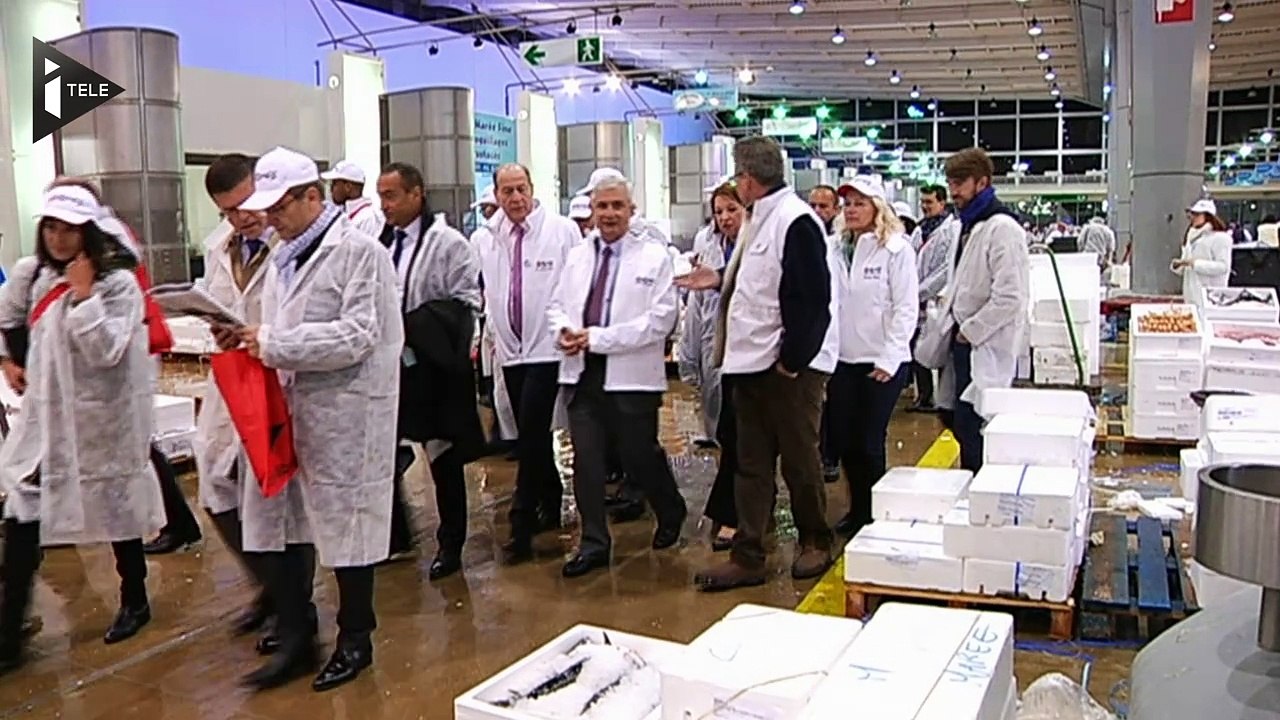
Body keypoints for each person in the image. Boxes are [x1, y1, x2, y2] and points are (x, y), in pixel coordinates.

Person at [232, 146, 401, 692]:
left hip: (348, 413)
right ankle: (299, 633)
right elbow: (281, 332)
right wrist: (246, 337)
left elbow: (358, 334)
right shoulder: (286, 257)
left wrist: (275, 343)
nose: (271, 219)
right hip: (295, 411)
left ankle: (357, 640)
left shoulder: (360, 253)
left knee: (348, 533)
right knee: (288, 525)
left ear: (313, 196)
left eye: (280, 207)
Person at [0, 184, 166, 673]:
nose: (58, 237)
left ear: (87, 232)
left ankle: (134, 597)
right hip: (45, 416)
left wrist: (84, 295)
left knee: (116, 509)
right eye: (50, 227)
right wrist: (9, 361)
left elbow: (108, 350)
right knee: (24, 507)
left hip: (102, 418)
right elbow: (6, 317)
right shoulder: (31, 275)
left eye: (69, 229)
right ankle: (9, 628)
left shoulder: (118, 283)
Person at [680, 136, 838, 592]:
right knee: (749, 465)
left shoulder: (795, 221)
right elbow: (757, 286)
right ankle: (750, 553)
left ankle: (815, 540)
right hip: (746, 366)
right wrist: (718, 281)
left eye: (737, 177)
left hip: (784, 371)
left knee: (800, 461)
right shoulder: (756, 219)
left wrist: (792, 361)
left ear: (748, 180)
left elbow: (813, 301)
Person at [193, 154, 315, 654]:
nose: (241, 219)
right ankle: (271, 588)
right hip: (236, 378)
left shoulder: (292, 247)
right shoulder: (216, 248)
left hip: (283, 378)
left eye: (245, 206)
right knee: (214, 482)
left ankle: (295, 609)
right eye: (228, 213)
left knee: (283, 500)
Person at [549, 176, 688, 579]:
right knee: (587, 462)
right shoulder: (577, 256)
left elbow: (660, 320)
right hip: (581, 374)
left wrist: (599, 338)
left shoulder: (653, 258)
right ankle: (594, 542)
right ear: (592, 211)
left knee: (638, 455)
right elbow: (556, 305)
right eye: (602, 206)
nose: (609, 214)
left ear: (631, 211)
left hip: (631, 377)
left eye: (617, 206)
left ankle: (669, 507)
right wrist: (563, 332)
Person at [376, 162, 485, 580]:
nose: (385, 205)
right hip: (392, 367)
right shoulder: (381, 243)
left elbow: (466, 302)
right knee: (385, 453)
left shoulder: (448, 243)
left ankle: (451, 542)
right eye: (382, 196)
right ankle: (394, 535)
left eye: (393, 195)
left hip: (434, 365)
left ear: (417, 194)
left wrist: (415, 324)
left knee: (443, 458)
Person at [471, 163, 580, 564]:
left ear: (532, 189)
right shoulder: (486, 238)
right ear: (497, 195)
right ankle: (549, 504)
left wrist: (570, 327)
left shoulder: (561, 231)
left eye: (521, 190)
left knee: (531, 433)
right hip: (511, 351)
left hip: (547, 347)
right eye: (507, 192)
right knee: (527, 432)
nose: (515, 199)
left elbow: (574, 282)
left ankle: (520, 522)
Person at [829, 177, 918, 537]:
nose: (851, 209)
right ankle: (858, 508)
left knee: (869, 439)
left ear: (877, 208)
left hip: (881, 361)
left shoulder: (896, 249)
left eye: (859, 203)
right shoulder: (832, 247)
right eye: (847, 203)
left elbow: (906, 308)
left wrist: (890, 357)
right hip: (842, 359)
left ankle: (874, 514)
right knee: (846, 442)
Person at [931, 148, 1030, 473]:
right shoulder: (969, 225)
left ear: (982, 182)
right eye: (950, 183)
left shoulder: (1003, 228)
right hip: (962, 345)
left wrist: (969, 331)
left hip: (983, 346)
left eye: (960, 183)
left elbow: (1011, 296)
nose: (953, 192)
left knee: (977, 428)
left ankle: (982, 499)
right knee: (958, 419)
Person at [679, 182, 745, 551]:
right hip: (715, 351)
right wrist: (689, 357)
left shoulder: (758, 244)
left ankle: (734, 512)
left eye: (731, 210)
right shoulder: (708, 246)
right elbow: (696, 308)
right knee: (726, 433)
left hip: (752, 354)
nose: (724, 218)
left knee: (742, 438)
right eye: (718, 212)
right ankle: (739, 509)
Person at [908, 185, 960, 413]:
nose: (925, 206)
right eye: (923, 202)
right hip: (917, 298)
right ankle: (924, 396)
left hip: (937, 298)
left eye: (929, 202)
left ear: (942, 203)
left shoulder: (951, 230)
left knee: (938, 347)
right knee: (918, 349)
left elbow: (945, 269)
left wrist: (922, 290)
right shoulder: (920, 230)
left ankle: (942, 399)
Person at [1173, 199, 1232, 304]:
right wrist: (1179, 265)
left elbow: (1223, 267)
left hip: (1210, 296)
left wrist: (1195, 264)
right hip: (1190, 295)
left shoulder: (1221, 238)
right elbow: (1186, 263)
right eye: (1192, 214)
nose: (1192, 217)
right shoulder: (1190, 236)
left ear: (1208, 216)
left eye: (1197, 214)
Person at [320, 160, 385, 238]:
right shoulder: (344, 213)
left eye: (334, 184)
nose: (331, 190)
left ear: (348, 187)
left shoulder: (367, 218)